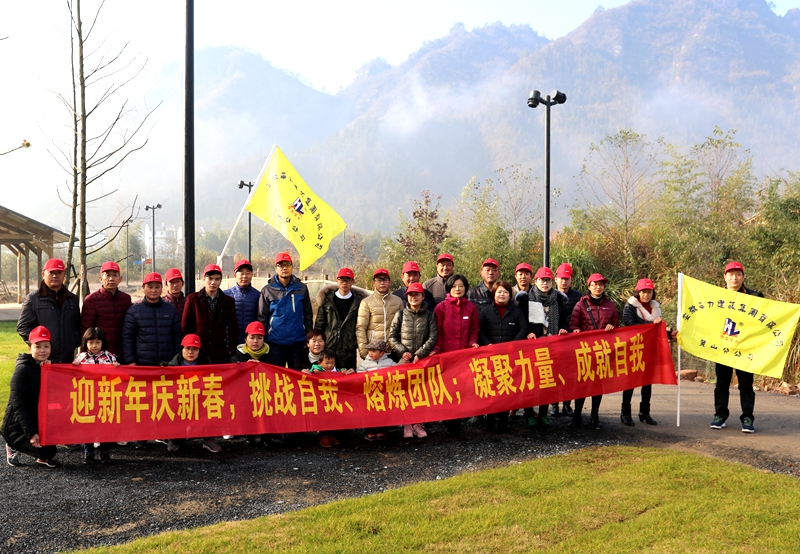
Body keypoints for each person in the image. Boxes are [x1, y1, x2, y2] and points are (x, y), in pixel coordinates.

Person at [711, 261, 763, 433]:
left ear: (743, 277)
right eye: (731, 274)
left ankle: (747, 417)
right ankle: (720, 416)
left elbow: (765, 319)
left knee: (746, 385)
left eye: (738, 274)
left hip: (745, 348)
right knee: (721, 384)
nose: (734, 278)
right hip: (723, 347)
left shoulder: (755, 296)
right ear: (725, 277)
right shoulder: (715, 296)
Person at [621, 278, 678, 427]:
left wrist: (669, 334)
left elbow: (657, 330)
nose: (646, 295)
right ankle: (625, 413)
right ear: (638, 292)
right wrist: (651, 324)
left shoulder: (655, 308)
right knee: (630, 381)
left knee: (647, 382)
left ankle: (645, 412)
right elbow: (630, 325)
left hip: (649, 348)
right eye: (643, 292)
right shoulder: (630, 306)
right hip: (634, 348)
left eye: (649, 292)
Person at [2, 326, 61, 468]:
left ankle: (39, 453)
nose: (42, 350)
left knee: (51, 450)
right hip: (16, 426)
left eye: (46, 346)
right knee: (47, 451)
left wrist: (49, 372)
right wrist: (31, 433)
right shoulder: (22, 370)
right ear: (30, 348)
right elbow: (19, 405)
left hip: (36, 419)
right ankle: (12, 445)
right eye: (38, 346)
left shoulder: (44, 367)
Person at [518, 267, 569, 431]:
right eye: (542, 280)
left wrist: (563, 328)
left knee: (547, 381)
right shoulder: (527, 299)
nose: (545, 283)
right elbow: (522, 321)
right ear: (536, 281)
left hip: (552, 346)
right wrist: (528, 332)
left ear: (552, 282)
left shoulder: (558, 299)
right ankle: (528, 413)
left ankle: (543, 413)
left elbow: (564, 319)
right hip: (532, 346)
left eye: (548, 280)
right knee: (530, 381)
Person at [478, 280, 532, 432]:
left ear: (510, 295)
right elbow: (479, 330)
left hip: (509, 356)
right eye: (499, 292)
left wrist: (513, 344)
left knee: (505, 389)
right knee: (491, 389)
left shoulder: (516, 311)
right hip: (490, 356)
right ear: (494, 294)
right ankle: (490, 422)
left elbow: (524, 328)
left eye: (506, 292)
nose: (502, 295)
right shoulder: (485, 311)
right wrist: (487, 343)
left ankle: (503, 422)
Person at [568, 273, 619, 430]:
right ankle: (577, 415)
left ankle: (595, 415)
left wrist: (612, 327)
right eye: (595, 284)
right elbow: (573, 324)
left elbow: (616, 325)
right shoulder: (581, 304)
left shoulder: (610, 305)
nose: (598, 287)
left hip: (602, 350)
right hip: (585, 351)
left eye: (601, 284)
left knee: (598, 385)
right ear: (589, 286)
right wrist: (575, 330)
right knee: (582, 384)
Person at [388, 282, 438, 439]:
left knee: (421, 393)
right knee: (405, 393)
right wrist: (402, 352)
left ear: (423, 296)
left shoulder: (430, 315)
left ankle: (418, 424)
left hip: (422, 360)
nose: (413, 297)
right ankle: (407, 424)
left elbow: (433, 337)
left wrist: (420, 354)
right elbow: (392, 337)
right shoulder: (400, 315)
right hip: (404, 360)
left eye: (417, 294)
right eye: (410, 295)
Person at [432, 274, 479, 434]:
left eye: (461, 286)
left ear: (465, 288)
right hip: (446, 355)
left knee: (462, 388)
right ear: (448, 288)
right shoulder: (441, 308)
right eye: (453, 286)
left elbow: (474, 329)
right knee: (448, 388)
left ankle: (458, 420)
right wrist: (436, 349)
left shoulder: (471, 308)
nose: (457, 289)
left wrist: (473, 342)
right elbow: (437, 332)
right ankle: (448, 420)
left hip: (464, 356)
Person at [17, 258, 81, 364]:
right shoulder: (33, 299)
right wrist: (39, 346)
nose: (55, 276)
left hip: (68, 358)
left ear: (64, 274)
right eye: (51, 273)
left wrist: (74, 342)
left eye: (59, 272)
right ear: (43, 274)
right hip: (44, 360)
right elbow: (23, 327)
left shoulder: (72, 299)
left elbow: (77, 325)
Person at [166, 334, 221, 453]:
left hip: (200, 399)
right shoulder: (172, 366)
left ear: (199, 351)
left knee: (212, 403)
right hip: (180, 400)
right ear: (182, 349)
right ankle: (174, 439)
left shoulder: (206, 365)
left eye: (195, 349)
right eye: (187, 348)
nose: (191, 352)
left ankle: (208, 439)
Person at [257, 252, 313, 369]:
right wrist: (265, 339)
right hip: (275, 342)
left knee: (298, 376)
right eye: (281, 265)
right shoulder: (267, 290)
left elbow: (308, 315)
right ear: (276, 268)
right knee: (276, 376)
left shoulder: (302, 288)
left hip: (297, 341)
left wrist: (308, 338)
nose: (284, 268)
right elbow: (262, 317)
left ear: (292, 267)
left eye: (287, 264)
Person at [73, 327, 119, 464]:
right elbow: (72, 374)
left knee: (105, 424)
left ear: (103, 343)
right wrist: (74, 367)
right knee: (88, 424)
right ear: (85, 343)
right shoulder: (81, 357)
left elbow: (118, 375)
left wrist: (117, 367)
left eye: (97, 342)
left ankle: (105, 452)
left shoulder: (110, 357)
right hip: (87, 397)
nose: (94, 346)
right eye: (91, 342)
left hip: (105, 397)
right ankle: (88, 451)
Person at [122, 273, 182, 366]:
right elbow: (127, 338)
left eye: (157, 287)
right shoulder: (134, 311)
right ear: (143, 287)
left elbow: (177, 336)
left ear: (161, 288)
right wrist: (130, 361)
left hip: (167, 363)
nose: (153, 290)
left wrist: (177, 360)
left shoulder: (171, 309)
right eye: (150, 287)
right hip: (142, 364)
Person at [183, 264, 239, 364]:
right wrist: (191, 347)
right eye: (210, 278)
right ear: (204, 278)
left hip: (220, 352)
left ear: (220, 281)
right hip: (198, 352)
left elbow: (233, 328)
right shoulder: (192, 299)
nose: (213, 282)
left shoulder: (228, 301)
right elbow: (186, 326)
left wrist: (230, 349)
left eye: (217, 279)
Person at [314, 267, 367, 372]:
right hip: (329, 348)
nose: (344, 283)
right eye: (342, 279)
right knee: (326, 378)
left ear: (353, 282)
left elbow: (362, 325)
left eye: (348, 280)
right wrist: (318, 344)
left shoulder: (359, 302)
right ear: (337, 280)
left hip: (348, 350)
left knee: (348, 378)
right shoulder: (327, 300)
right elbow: (319, 325)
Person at [80, 261, 132, 363]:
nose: (111, 278)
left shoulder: (126, 299)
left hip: (122, 352)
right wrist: (86, 356)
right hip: (100, 355)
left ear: (120, 279)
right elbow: (85, 330)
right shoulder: (91, 300)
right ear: (100, 278)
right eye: (107, 275)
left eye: (115, 275)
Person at [550, 263, 583, 417]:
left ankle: (567, 404)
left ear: (571, 280)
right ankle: (554, 404)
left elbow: (582, 316)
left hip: (572, 340)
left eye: (567, 279)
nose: (564, 281)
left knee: (570, 374)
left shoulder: (578, 296)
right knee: (554, 373)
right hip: (554, 340)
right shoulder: (550, 294)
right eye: (561, 278)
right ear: (556, 279)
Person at [231, 321, 270, 448]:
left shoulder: (271, 355)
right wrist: (245, 367)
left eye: (259, 338)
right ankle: (250, 436)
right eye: (252, 337)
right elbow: (231, 373)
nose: (255, 341)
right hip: (245, 394)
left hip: (265, 392)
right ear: (245, 339)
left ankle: (266, 436)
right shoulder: (237, 356)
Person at [356, 268, 403, 361]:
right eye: (379, 280)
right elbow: (360, 328)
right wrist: (364, 352)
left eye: (385, 279)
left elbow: (403, 327)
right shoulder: (366, 302)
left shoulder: (398, 301)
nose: (382, 283)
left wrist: (400, 349)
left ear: (390, 282)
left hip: (392, 351)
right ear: (373, 283)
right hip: (373, 352)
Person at [357, 338, 397, 441]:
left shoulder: (389, 362)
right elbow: (359, 374)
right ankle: (369, 431)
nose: (370, 353)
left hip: (383, 394)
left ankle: (381, 430)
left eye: (373, 351)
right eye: (369, 351)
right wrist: (361, 375)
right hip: (370, 394)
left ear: (382, 353)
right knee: (369, 412)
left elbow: (398, 371)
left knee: (382, 412)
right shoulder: (365, 363)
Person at [224, 259, 260, 346]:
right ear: (235, 275)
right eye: (241, 273)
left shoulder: (258, 295)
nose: (245, 276)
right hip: (230, 341)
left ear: (252, 275)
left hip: (251, 343)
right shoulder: (226, 295)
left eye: (248, 273)